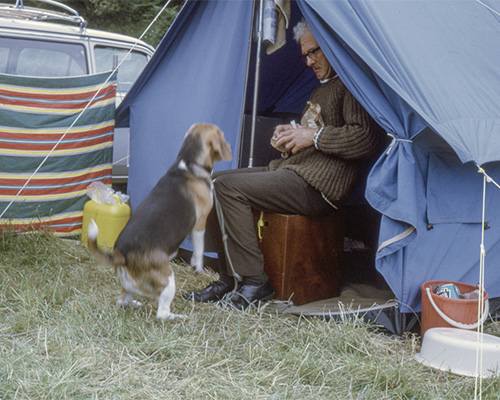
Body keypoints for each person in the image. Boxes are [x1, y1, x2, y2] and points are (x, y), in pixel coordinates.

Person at [183, 19, 383, 309]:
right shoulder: (320, 89)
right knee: (212, 182)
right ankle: (229, 279)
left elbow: (365, 138)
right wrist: (289, 139)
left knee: (226, 187)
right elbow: (311, 139)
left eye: (314, 52)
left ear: (333, 48)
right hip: (295, 172)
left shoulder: (350, 86)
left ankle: (255, 282)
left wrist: (311, 136)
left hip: (318, 186)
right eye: (305, 55)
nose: (308, 61)